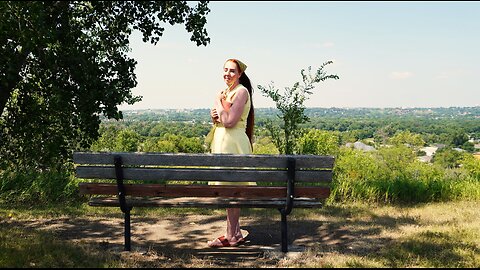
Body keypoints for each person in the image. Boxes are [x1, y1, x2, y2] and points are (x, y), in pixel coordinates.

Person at [206, 58, 255, 248]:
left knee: (233, 189)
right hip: (223, 142)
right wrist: (215, 117)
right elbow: (222, 120)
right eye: (225, 70)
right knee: (229, 190)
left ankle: (231, 237)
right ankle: (234, 232)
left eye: (232, 71)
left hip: (234, 144)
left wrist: (218, 100)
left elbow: (229, 122)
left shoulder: (240, 91)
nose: (227, 73)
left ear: (240, 74)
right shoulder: (229, 92)